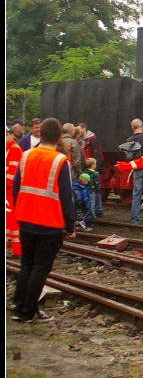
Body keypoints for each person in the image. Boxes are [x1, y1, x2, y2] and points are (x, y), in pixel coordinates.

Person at [10, 117, 77, 322]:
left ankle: (18, 306)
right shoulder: (60, 161)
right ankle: (28, 310)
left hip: (25, 218)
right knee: (40, 267)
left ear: (40, 134)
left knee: (26, 264)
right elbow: (66, 196)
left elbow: (15, 188)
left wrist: (20, 210)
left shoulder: (26, 155)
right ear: (59, 137)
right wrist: (70, 225)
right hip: (49, 221)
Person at [5, 127, 23, 256]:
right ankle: (16, 249)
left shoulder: (14, 149)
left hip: (10, 190)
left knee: (9, 218)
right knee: (11, 219)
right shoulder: (9, 148)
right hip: (9, 190)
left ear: (11, 135)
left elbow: (12, 173)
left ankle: (16, 249)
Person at [75, 158, 101, 231]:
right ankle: (88, 219)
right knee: (92, 204)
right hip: (92, 191)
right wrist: (98, 189)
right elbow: (96, 183)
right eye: (95, 164)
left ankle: (90, 216)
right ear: (92, 165)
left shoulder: (84, 173)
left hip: (89, 192)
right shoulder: (95, 173)